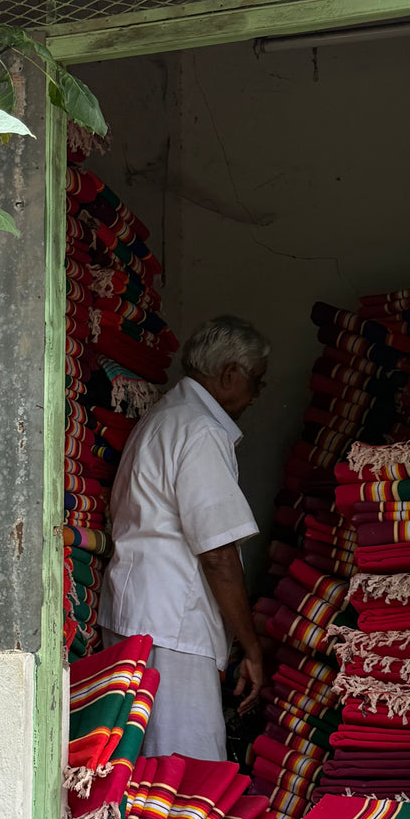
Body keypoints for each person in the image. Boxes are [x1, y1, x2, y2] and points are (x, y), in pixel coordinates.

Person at [100, 315, 270, 761]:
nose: (257, 394)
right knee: (183, 772)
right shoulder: (200, 430)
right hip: (172, 627)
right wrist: (251, 647)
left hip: (134, 614)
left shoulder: (164, 416)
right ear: (230, 375)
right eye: (257, 381)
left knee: (135, 764)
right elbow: (218, 553)